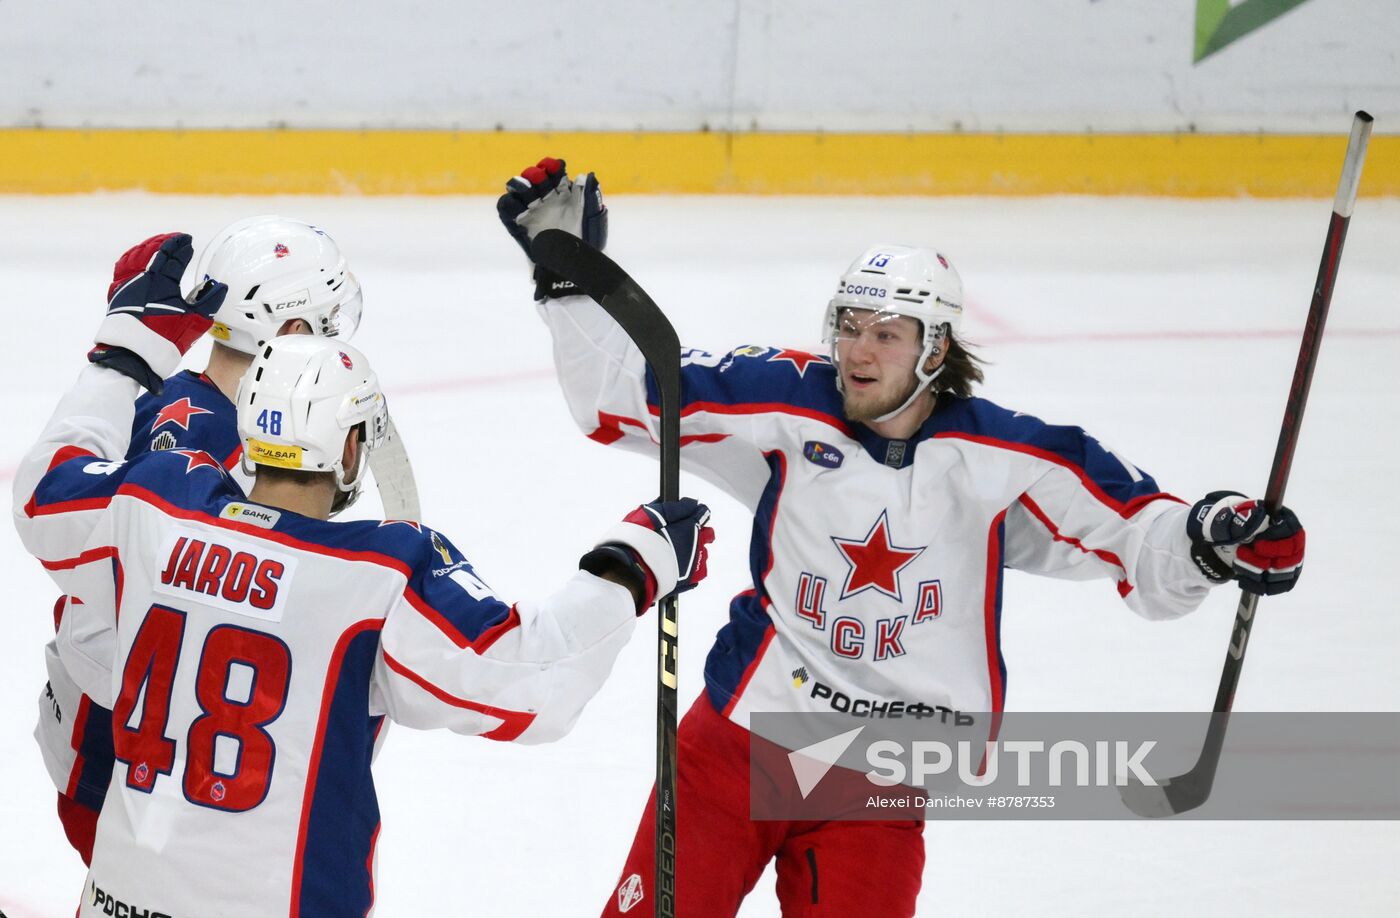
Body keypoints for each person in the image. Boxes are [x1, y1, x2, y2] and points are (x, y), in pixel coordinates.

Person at [498, 158, 1307, 917]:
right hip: (736, 749)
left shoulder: (1007, 458)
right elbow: (626, 399)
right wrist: (568, 277)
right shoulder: (785, 401)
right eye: (850, 326)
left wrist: (1219, 535)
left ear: (937, 350)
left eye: (887, 333)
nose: (857, 349)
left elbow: (1142, 536)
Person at [13, 233, 716, 914]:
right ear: (350, 446)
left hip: (118, 887)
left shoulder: (157, 500)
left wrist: (123, 353)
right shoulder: (374, 576)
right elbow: (532, 677)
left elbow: (47, 493)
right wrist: (635, 564)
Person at [33, 218, 377, 866]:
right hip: (144, 752)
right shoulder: (245, 456)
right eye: (328, 313)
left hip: (103, 722)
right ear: (293, 330)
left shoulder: (158, 397)